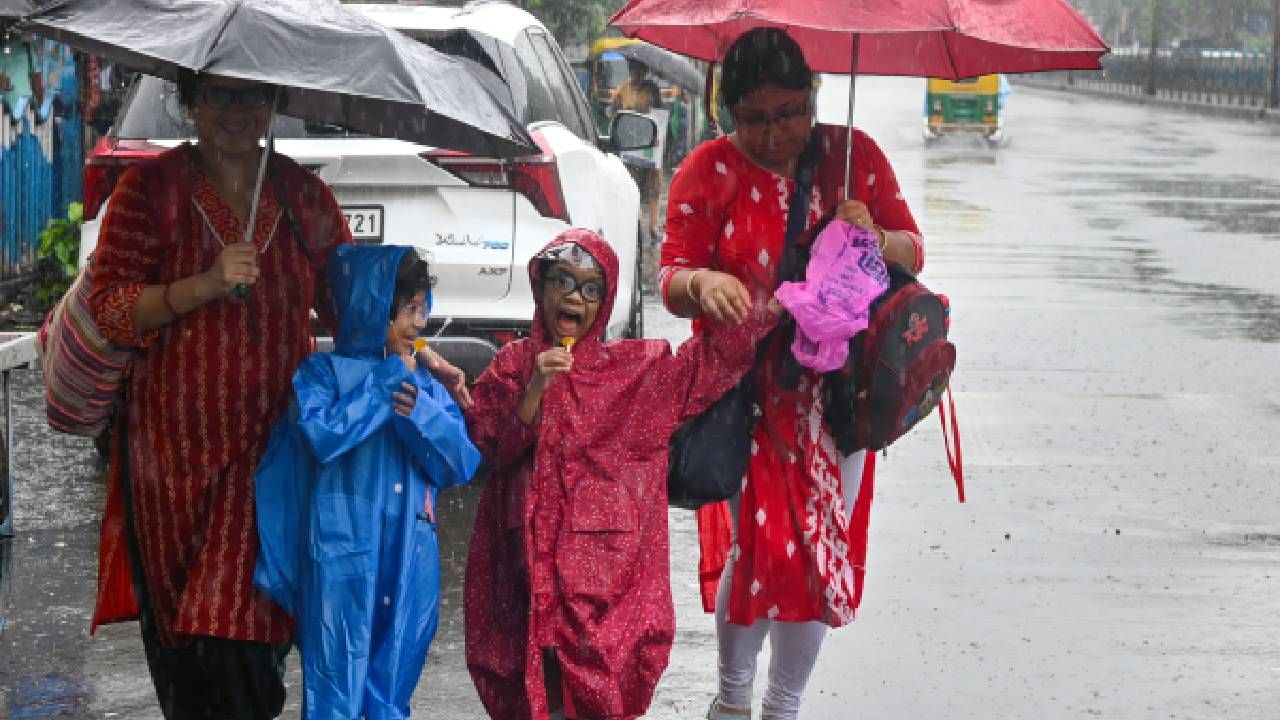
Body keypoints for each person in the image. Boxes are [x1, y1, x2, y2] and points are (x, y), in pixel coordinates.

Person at [85, 71, 466, 719]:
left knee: (242, 630)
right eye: (218, 96)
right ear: (189, 99)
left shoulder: (303, 197)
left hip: (275, 453)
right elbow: (112, 308)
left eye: (252, 96)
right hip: (169, 467)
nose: (236, 112)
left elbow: (354, 308)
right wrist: (203, 284)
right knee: (187, 649)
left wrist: (419, 350)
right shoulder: (149, 193)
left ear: (276, 102)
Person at [657, 28, 927, 720]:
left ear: (813, 100)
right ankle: (732, 700)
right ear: (728, 113)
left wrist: (874, 233)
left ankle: (784, 706)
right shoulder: (707, 170)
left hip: (837, 400)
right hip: (744, 392)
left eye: (790, 114)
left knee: (813, 551)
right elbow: (672, 272)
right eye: (755, 119)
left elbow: (911, 251)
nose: (775, 135)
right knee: (759, 551)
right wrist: (703, 285)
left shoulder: (852, 158)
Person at [463, 229, 780, 720]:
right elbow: (487, 445)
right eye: (563, 281)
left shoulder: (634, 376)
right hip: (522, 586)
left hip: (602, 599)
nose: (574, 296)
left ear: (605, 301)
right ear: (540, 286)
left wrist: (729, 290)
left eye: (590, 288)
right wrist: (533, 393)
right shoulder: (512, 366)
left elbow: (716, 361)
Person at [253, 245, 481, 720]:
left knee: (391, 689)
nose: (417, 324)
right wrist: (384, 386)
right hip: (341, 559)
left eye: (422, 309)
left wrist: (419, 410)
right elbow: (321, 435)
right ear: (370, 309)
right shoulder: (323, 374)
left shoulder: (424, 385)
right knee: (335, 687)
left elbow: (460, 463)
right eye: (406, 310)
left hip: (409, 556)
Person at [611, 58, 664, 241]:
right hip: (631, 147)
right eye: (634, 72)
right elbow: (614, 113)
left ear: (645, 73)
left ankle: (653, 226)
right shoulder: (622, 90)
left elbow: (659, 112)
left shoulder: (652, 90)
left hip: (650, 146)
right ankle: (636, 221)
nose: (636, 76)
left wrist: (649, 106)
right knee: (633, 186)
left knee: (654, 187)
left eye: (640, 72)